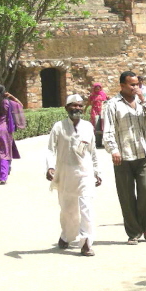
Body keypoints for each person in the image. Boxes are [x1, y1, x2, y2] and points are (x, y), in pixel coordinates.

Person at [103, 71, 146, 245]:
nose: (136, 87)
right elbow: (109, 130)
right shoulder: (112, 104)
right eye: (132, 85)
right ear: (122, 86)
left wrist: (144, 99)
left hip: (144, 153)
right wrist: (114, 150)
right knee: (126, 195)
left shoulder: (144, 102)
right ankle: (133, 232)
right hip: (123, 156)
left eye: (137, 84)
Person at [46, 94, 101, 256]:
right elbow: (50, 149)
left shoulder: (88, 126)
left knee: (86, 208)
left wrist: (97, 171)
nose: (77, 108)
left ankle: (86, 242)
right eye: (73, 105)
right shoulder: (59, 127)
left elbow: (92, 151)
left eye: (80, 106)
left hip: (85, 173)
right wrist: (50, 167)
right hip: (65, 174)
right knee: (68, 210)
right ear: (66, 108)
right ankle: (67, 235)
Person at [0, 85, 25, 184]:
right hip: (5, 130)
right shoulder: (8, 103)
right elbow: (20, 105)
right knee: (5, 152)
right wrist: (12, 96)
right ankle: (3, 176)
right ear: (4, 92)